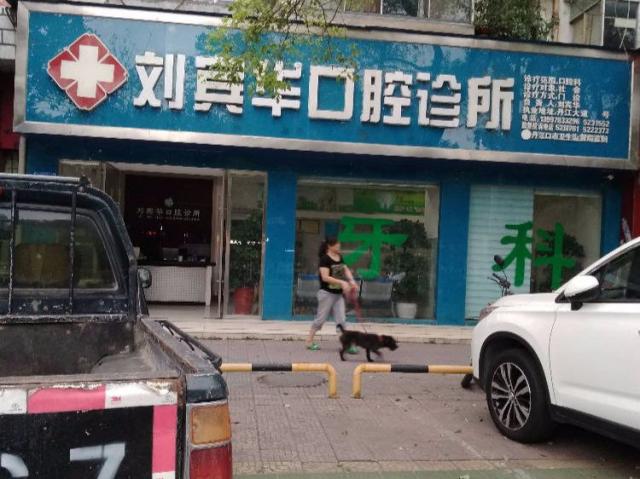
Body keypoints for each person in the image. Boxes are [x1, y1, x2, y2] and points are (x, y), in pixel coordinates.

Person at [306, 237, 359, 352]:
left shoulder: (339, 257)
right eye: (337, 244)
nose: (339, 246)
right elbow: (325, 277)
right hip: (326, 294)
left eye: (339, 244)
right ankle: (309, 342)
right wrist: (342, 282)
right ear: (330, 246)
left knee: (341, 320)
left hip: (338, 295)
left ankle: (347, 345)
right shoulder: (324, 259)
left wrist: (352, 281)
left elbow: (346, 270)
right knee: (320, 320)